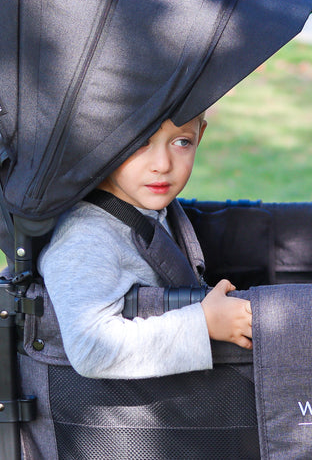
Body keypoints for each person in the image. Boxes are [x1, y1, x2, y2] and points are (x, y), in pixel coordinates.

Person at [38, 114, 253, 379]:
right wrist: (203, 324)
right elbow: (91, 348)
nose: (162, 165)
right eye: (140, 142)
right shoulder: (84, 240)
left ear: (200, 135)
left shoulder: (152, 209)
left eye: (182, 142)